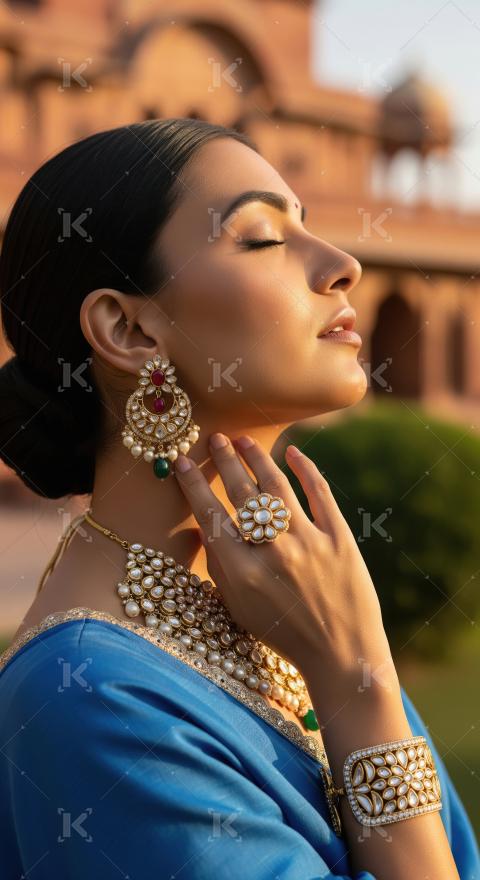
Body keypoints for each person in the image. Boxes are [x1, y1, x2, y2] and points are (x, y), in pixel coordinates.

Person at [0, 118, 477, 880]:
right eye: (261, 238)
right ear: (128, 329)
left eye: (307, 225)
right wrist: (360, 683)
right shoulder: (90, 700)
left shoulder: (296, 618)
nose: (344, 265)